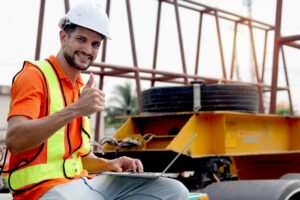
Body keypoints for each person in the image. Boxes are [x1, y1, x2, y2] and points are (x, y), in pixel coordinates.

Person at [2, 2, 189, 200]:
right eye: (81, 39)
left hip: (82, 183)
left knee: (174, 190)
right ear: (63, 36)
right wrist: (75, 110)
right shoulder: (34, 76)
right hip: (41, 190)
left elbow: (78, 158)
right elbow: (15, 140)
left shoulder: (81, 88)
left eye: (95, 44)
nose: (87, 49)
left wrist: (110, 164)